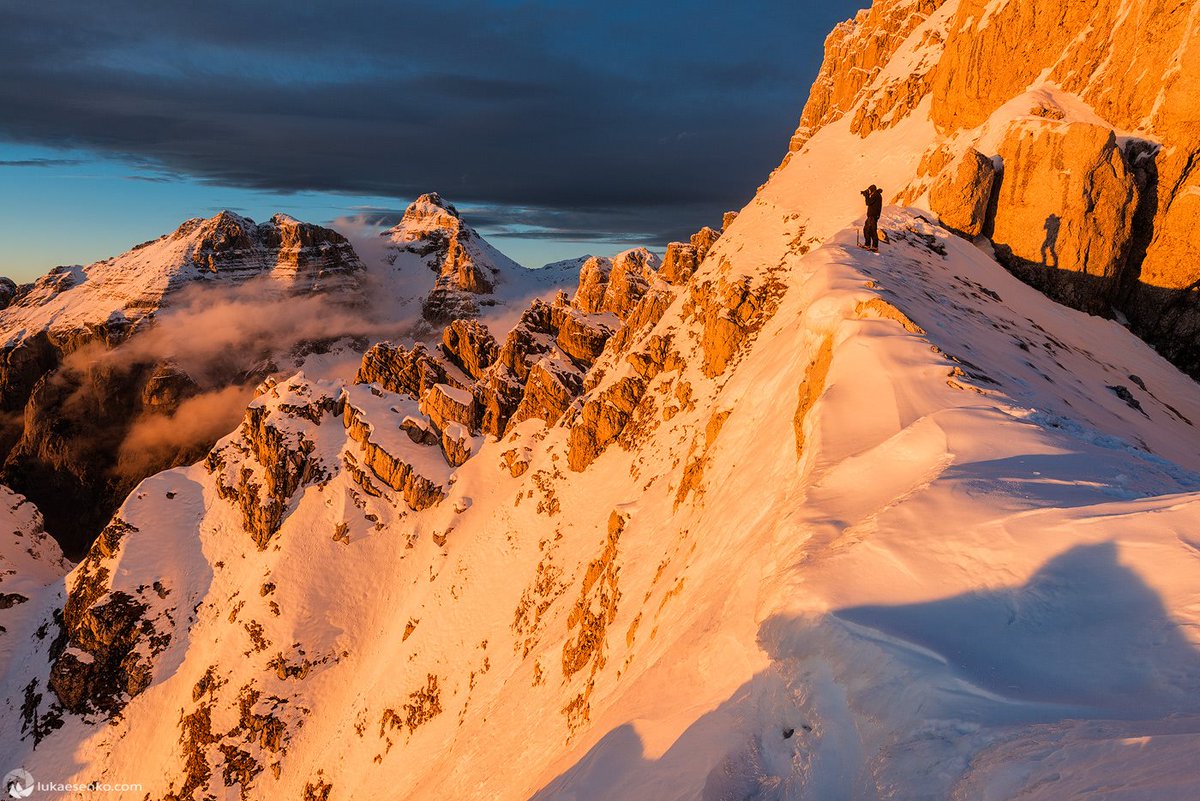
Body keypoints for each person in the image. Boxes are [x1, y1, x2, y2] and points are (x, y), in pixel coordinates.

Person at [860, 185, 883, 252]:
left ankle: (874, 246)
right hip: (872, 216)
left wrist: (866, 195)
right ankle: (868, 245)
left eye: (869, 190)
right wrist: (866, 195)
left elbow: (868, 203)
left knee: (872, 230)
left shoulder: (876, 195)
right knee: (867, 230)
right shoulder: (876, 194)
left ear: (872, 190)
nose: (869, 192)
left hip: (873, 216)